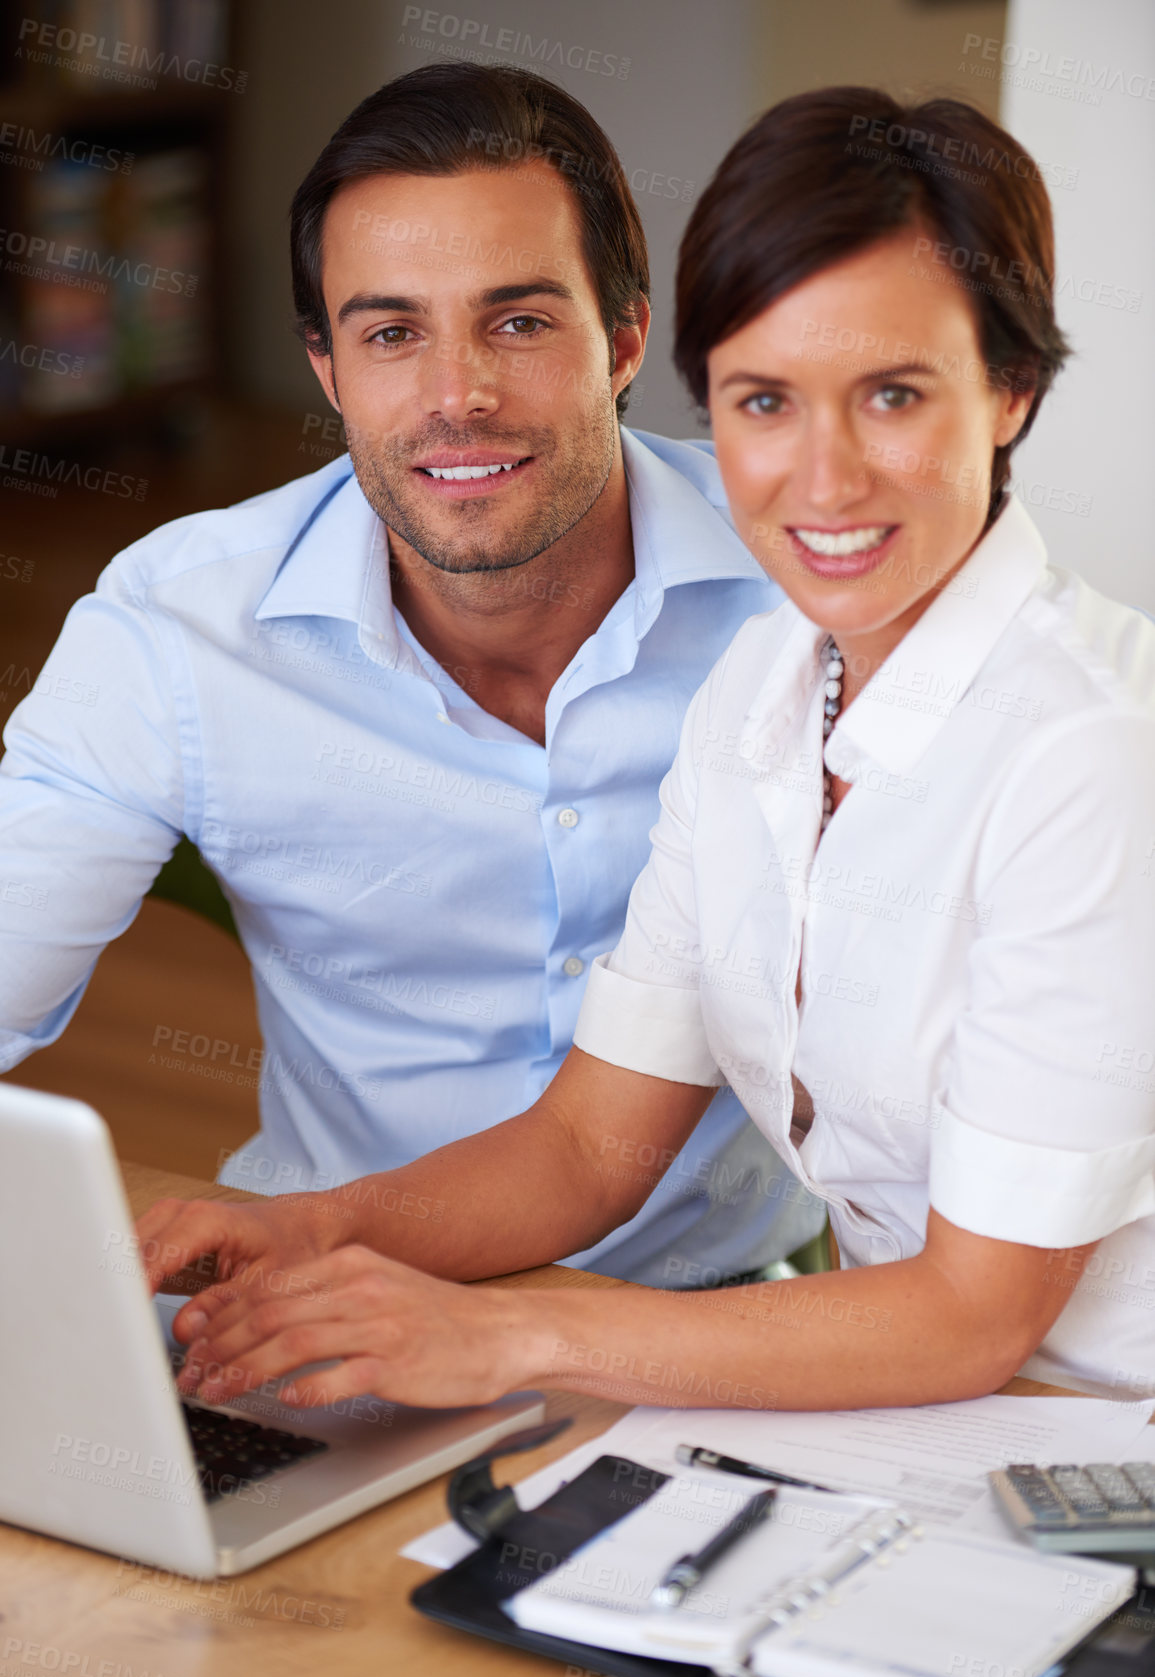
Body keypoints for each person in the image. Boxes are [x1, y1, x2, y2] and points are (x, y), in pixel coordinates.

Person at [146, 85, 1155, 1417]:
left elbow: (972, 1312)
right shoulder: (758, 691)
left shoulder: (1090, 750)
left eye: (892, 394)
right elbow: (587, 1143)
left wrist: (512, 1338)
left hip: (1088, 1452)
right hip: (907, 1426)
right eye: (762, 401)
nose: (824, 477)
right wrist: (317, 1231)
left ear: (1009, 390)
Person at [0, 65, 828, 1286]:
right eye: (392, 333)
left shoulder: (805, 592)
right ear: (329, 370)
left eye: (520, 321)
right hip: (320, 1298)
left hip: (713, 1334)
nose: (458, 398)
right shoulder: (178, 630)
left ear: (626, 340)